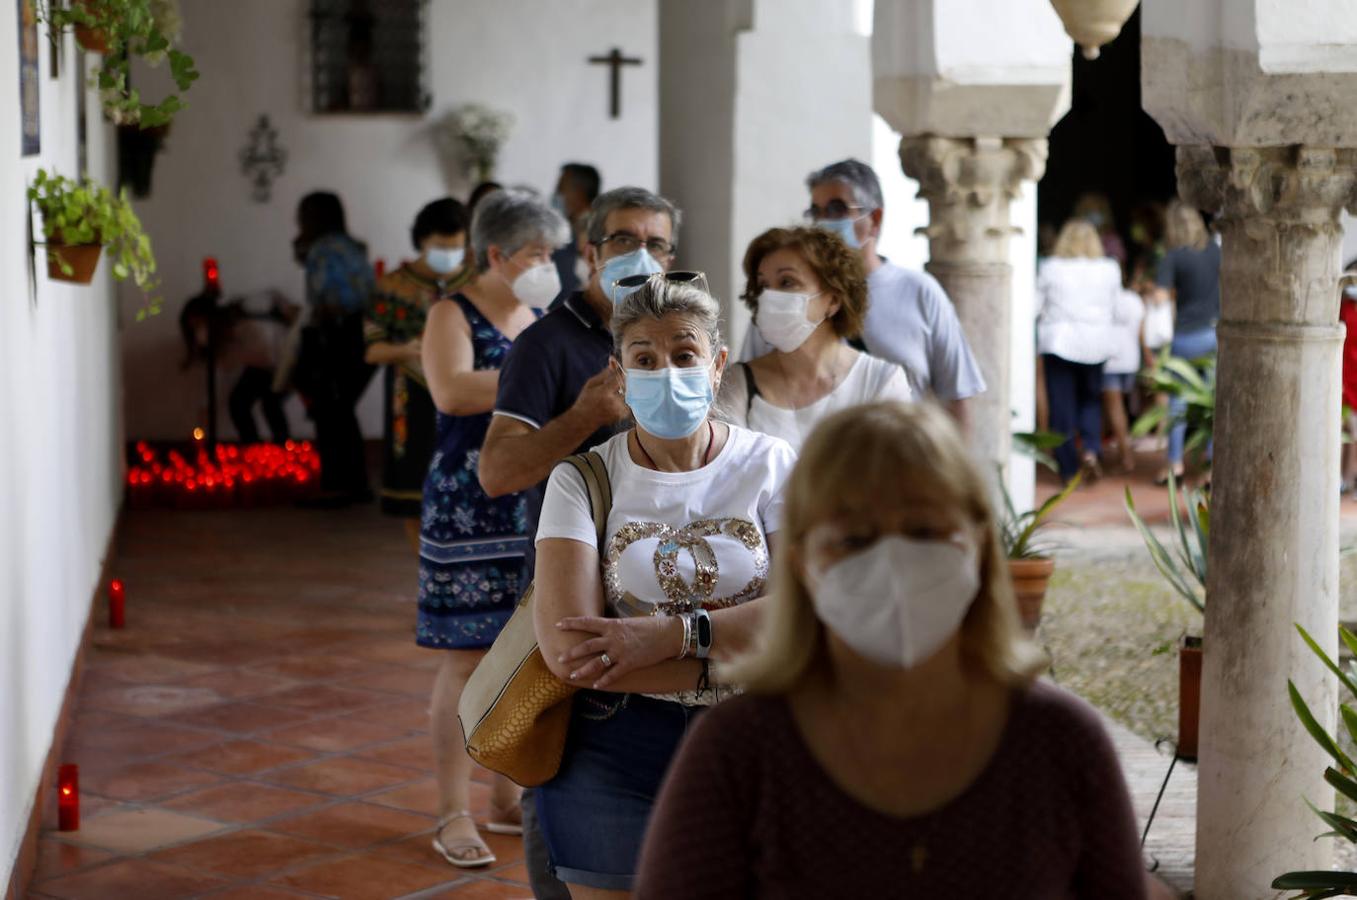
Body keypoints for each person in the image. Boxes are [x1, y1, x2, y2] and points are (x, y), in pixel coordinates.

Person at [634, 401, 1147, 899]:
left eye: (924, 531)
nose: (892, 561)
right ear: (801, 563)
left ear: (981, 547)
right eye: (855, 539)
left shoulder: (1060, 744)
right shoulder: (741, 752)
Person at [532, 275, 797, 898]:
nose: (667, 372)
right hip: (611, 745)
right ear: (619, 376)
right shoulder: (583, 479)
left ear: (717, 364)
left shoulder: (773, 465)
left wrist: (665, 637)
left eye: (684, 354)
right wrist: (727, 662)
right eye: (645, 360)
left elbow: (804, 616)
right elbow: (570, 654)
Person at [476, 185, 681, 900]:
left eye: (656, 244)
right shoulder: (547, 343)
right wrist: (586, 412)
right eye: (623, 240)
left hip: (665, 590)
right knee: (557, 754)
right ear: (590, 253)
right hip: (574, 587)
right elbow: (499, 472)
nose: (641, 256)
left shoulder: (679, 337)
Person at [418, 190, 570, 870]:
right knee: (465, 655)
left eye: (551, 253)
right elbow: (451, 391)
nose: (547, 265)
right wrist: (535, 374)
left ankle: (504, 799)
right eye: (535, 253)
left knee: (521, 648)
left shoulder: (537, 314)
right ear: (494, 255)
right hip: (466, 503)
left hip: (533, 500)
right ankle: (453, 812)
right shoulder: (451, 312)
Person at [742, 159, 984, 428]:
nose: (824, 221)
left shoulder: (920, 292)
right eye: (816, 211)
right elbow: (749, 389)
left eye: (837, 209)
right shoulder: (780, 301)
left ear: (875, 219)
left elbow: (957, 398)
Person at [715, 226, 911, 450]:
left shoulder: (881, 381)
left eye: (787, 282)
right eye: (764, 286)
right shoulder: (736, 384)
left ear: (833, 300)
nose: (769, 297)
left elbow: (893, 474)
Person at [364, 198, 472, 542]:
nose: (450, 255)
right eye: (441, 247)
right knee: (414, 494)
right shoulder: (394, 287)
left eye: (457, 247)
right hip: (411, 399)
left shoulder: (477, 284)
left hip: (466, 396)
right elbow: (371, 349)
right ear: (422, 241)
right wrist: (409, 348)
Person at [291, 191, 375, 507]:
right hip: (361, 332)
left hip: (340, 334)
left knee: (331, 409)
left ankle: (340, 484)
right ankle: (353, 483)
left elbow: (327, 301)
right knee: (341, 409)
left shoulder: (323, 250)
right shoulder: (351, 247)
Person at [1036, 219, 1121, 483]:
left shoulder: (1051, 267)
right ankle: (1092, 452)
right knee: (1090, 401)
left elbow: (1035, 305)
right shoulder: (1109, 269)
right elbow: (1115, 307)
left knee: (1062, 407)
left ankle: (1068, 469)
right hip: (1095, 343)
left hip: (1060, 342)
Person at [1153, 201, 1220, 484]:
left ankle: (1175, 464)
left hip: (1184, 336)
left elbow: (1159, 297)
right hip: (1213, 334)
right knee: (1213, 403)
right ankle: (1210, 467)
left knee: (1177, 403)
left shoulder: (1173, 257)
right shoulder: (1216, 251)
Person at [180, 290, 296, 444]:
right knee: (238, 403)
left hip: (286, 361)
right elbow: (214, 381)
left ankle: (284, 449)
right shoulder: (223, 346)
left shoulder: (249, 327)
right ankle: (252, 447)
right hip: (262, 364)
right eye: (194, 328)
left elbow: (274, 353)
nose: (198, 333)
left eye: (199, 324)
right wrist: (202, 420)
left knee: (271, 404)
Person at [1101, 282, 1146, 473]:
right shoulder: (1135, 300)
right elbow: (1141, 333)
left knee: (1114, 408)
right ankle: (1108, 450)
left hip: (1110, 360)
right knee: (1118, 407)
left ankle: (1126, 456)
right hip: (1131, 360)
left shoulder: (1103, 299)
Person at [552, 163, 602, 298]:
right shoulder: (572, 226)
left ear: (578, 192)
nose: (556, 193)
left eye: (561, 188)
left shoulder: (593, 228)